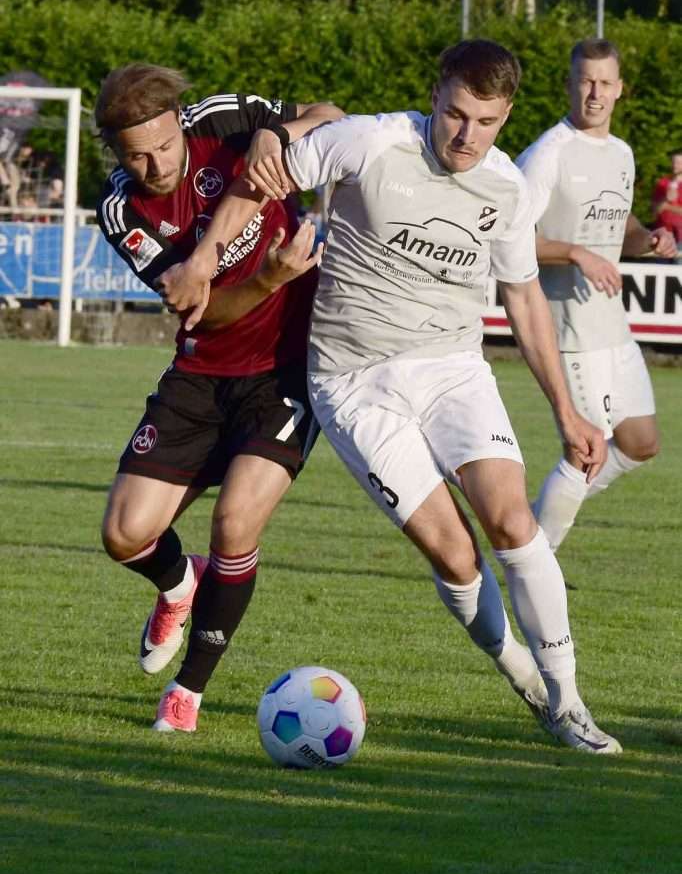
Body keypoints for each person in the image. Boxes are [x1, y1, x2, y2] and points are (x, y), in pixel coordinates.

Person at [163, 40, 624, 755]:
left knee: (511, 522)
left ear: (506, 118)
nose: (467, 137)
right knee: (456, 555)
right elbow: (260, 178)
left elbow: (525, 299)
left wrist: (568, 413)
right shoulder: (371, 142)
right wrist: (202, 256)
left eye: (488, 122)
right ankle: (528, 687)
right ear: (435, 95)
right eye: (457, 115)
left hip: (452, 370)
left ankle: (569, 704)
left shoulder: (503, 187)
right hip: (355, 383)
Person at [95, 63, 343, 733]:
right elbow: (207, 313)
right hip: (202, 374)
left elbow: (334, 116)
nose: (152, 165)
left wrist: (277, 136)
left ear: (180, 123)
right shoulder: (122, 211)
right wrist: (265, 279)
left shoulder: (222, 119)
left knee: (235, 522)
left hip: (284, 373)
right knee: (123, 534)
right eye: (134, 155)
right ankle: (180, 585)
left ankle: (189, 692)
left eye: (162, 146)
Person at [516, 38, 677, 553]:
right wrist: (577, 253)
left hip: (612, 327)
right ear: (569, 85)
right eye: (585, 80)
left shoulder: (622, 154)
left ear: (620, 90)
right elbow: (509, 237)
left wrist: (648, 239)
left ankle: (531, 532)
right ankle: (533, 565)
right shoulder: (547, 155)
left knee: (640, 443)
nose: (594, 92)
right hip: (568, 333)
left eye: (605, 83)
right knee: (587, 453)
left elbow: (620, 220)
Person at [651, 148, 682, 250]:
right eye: (673, 162)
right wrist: (665, 199)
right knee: (660, 265)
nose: (675, 165)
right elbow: (654, 211)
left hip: (680, 237)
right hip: (663, 236)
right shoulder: (663, 183)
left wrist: (666, 206)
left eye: (678, 163)